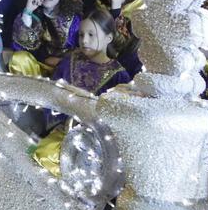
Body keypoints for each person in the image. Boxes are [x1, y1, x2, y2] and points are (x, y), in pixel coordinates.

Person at [29, 9, 132, 176]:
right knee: (43, 155)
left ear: (108, 38)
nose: (84, 40)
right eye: (81, 35)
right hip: (60, 130)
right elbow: (53, 91)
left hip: (90, 143)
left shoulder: (118, 76)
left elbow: (115, 120)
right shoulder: (71, 59)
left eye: (92, 35)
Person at [8, 0, 81, 76]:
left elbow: (80, 50)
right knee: (18, 59)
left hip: (64, 70)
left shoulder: (73, 19)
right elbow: (20, 47)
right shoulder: (32, 14)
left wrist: (60, 62)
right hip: (37, 70)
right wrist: (27, 13)